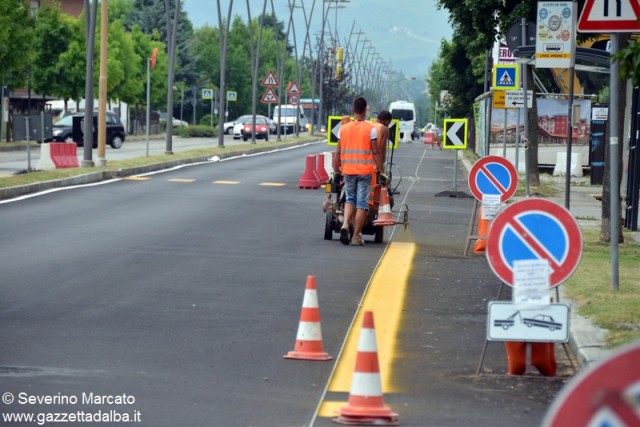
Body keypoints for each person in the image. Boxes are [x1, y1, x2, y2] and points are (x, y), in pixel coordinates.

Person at [332, 97, 385, 246]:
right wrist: (382, 171)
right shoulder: (371, 129)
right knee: (362, 203)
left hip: (348, 170)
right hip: (365, 172)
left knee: (350, 199)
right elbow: (375, 152)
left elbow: (338, 152)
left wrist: (336, 170)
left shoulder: (344, 129)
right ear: (365, 110)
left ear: (353, 110)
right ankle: (356, 236)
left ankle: (344, 225)